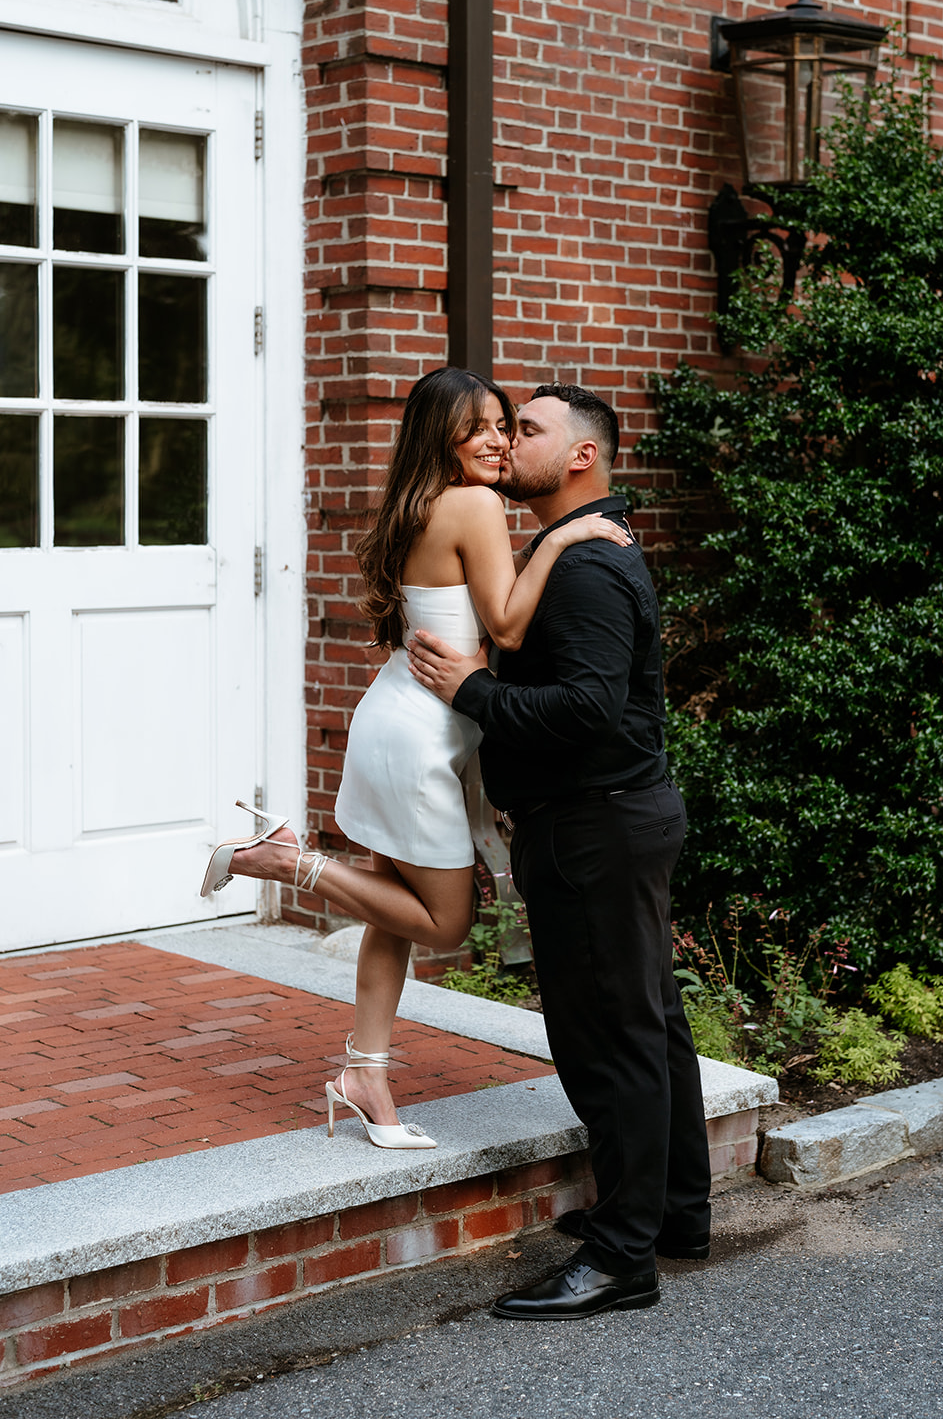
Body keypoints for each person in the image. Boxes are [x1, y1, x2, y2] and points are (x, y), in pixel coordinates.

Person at [201, 366, 630, 1150]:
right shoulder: (470, 504)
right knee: (443, 921)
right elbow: (503, 627)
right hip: (420, 736)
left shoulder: (422, 501)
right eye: (481, 428)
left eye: (505, 425)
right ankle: (281, 861)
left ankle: (364, 1074)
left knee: (388, 916)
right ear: (444, 438)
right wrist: (564, 536)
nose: (499, 441)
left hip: (405, 719)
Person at [406, 382, 712, 1321]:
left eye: (525, 428)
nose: (504, 441)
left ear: (580, 456)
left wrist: (471, 690)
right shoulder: (574, 548)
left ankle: (623, 1259)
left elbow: (582, 711)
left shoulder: (581, 568)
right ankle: (673, 1217)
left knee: (607, 1039)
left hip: (594, 828)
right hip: (612, 820)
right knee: (649, 1022)